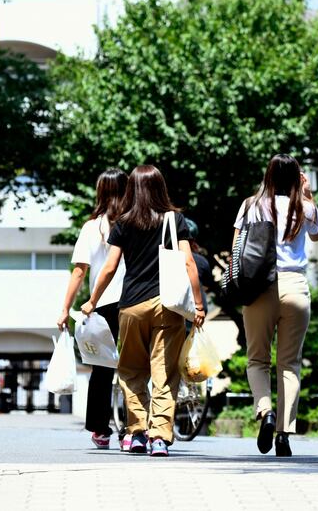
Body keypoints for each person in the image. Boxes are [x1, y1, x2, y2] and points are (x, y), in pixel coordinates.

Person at [81, 165, 204, 458]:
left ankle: (136, 433)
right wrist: (198, 304)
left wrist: (92, 300)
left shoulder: (124, 222)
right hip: (167, 306)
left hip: (132, 306)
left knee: (132, 370)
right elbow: (189, 263)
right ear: (160, 187)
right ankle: (159, 437)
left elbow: (110, 267)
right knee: (163, 373)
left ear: (132, 189)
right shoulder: (175, 220)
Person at [234, 154, 318, 457]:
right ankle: (284, 434)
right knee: (290, 362)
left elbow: (237, 246)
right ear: (297, 177)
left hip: (260, 286)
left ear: (268, 176)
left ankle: (265, 411)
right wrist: (308, 194)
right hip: (295, 286)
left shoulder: (251, 205)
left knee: (258, 358)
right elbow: (317, 235)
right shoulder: (306, 207)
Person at [56, 168, 127, 450]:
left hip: (103, 302)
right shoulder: (137, 221)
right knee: (136, 366)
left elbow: (79, 272)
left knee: (102, 367)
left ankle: (101, 429)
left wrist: (65, 308)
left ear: (100, 192)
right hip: (136, 299)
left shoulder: (92, 228)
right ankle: (137, 427)